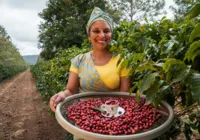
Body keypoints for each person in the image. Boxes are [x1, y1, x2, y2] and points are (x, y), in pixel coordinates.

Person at [49, 7, 130, 112]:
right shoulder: (78, 61)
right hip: (86, 117)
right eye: (96, 31)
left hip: (113, 115)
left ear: (111, 34)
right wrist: (62, 94)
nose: (102, 35)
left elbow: (125, 97)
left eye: (106, 31)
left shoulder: (122, 60)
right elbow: (71, 91)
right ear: (89, 36)